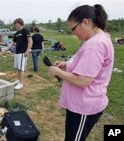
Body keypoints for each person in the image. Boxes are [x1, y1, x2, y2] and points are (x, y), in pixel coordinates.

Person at [48, 4, 114, 141]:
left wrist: (57, 72)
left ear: (86, 22)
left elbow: (83, 80)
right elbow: (89, 66)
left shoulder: (94, 45)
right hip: (83, 103)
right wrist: (66, 65)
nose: (73, 33)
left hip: (84, 106)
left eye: (73, 28)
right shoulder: (100, 38)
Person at [9, 18, 33, 89]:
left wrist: (27, 51)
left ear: (19, 23)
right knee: (18, 68)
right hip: (17, 52)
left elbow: (30, 41)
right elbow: (13, 43)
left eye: (15, 24)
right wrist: (6, 49)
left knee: (21, 68)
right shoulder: (17, 33)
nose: (15, 26)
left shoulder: (25, 31)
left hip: (23, 52)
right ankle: (18, 80)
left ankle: (21, 83)